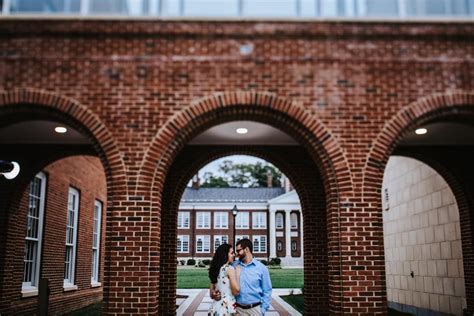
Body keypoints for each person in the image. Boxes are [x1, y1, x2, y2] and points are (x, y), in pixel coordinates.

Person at [211, 238, 272, 315]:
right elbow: (219, 278)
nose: (236, 254)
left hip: (255, 310)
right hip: (237, 310)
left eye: (239, 250)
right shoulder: (233, 265)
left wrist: (262, 310)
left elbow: (267, 291)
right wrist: (215, 293)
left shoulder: (262, 268)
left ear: (246, 249)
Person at [208, 243, 241, 315]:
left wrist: (214, 295)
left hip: (215, 308)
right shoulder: (229, 269)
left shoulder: (215, 270)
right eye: (232, 253)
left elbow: (211, 294)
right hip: (227, 307)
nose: (234, 255)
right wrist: (237, 274)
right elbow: (236, 292)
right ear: (225, 255)